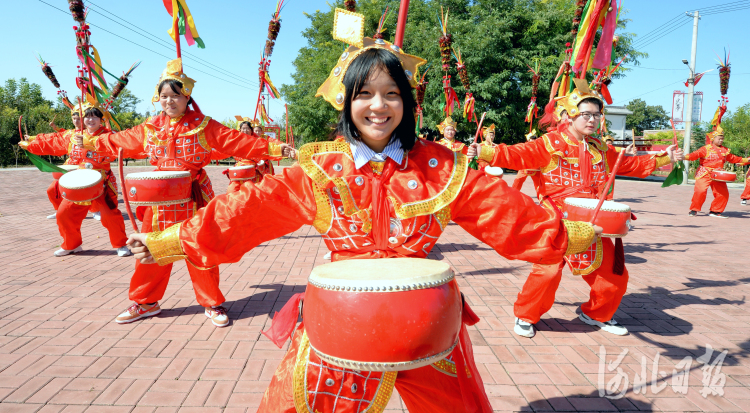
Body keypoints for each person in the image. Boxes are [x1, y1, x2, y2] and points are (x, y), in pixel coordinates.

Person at [126, 42, 602, 413]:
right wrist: (170, 241)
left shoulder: (440, 166)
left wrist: (570, 235)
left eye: (392, 93)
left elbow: (504, 211)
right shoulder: (320, 169)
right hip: (342, 319)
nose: (380, 106)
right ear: (347, 101)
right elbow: (246, 210)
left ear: (407, 102)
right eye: (366, 94)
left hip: (428, 323)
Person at [472, 81, 684, 338]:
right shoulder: (548, 144)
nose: (592, 119)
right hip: (556, 219)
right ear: (570, 115)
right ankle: (526, 315)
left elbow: (627, 165)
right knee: (547, 272)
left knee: (614, 276)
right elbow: (518, 154)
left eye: (596, 114)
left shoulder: (600, 148)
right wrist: (483, 150)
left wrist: (664, 158)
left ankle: (597, 313)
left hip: (594, 220)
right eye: (586, 114)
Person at [90, 59, 288, 327]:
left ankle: (211, 302)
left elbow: (238, 142)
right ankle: (145, 301)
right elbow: (118, 141)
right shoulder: (150, 128)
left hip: (193, 198)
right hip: (159, 203)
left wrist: (275, 149)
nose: (169, 101)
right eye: (164, 96)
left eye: (175, 96)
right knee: (151, 251)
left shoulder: (204, 125)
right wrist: (92, 140)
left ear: (186, 97)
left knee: (200, 249)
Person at [20, 100, 130, 257]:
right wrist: (31, 144)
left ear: (101, 119)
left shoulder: (109, 136)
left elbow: (122, 148)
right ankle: (71, 244)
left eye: (94, 117)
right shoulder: (74, 136)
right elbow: (52, 141)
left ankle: (120, 244)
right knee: (64, 214)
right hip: (79, 182)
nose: (90, 120)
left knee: (111, 216)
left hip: (102, 182)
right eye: (87, 117)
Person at [685, 125, 749, 217]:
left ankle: (715, 211)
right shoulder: (706, 149)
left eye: (722, 139)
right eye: (719, 139)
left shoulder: (724, 150)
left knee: (723, 194)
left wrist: (747, 160)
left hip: (718, 174)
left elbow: (734, 158)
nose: (721, 141)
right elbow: (695, 155)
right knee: (700, 191)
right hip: (704, 173)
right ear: (713, 139)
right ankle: (694, 209)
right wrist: (684, 157)